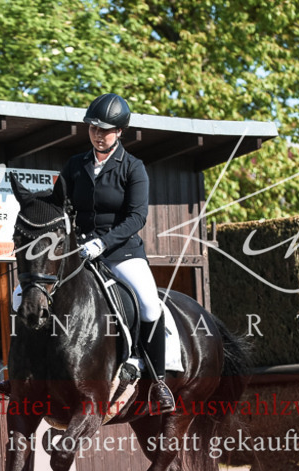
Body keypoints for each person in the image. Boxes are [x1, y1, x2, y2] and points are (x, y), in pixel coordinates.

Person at [60, 93, 175, 412]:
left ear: (120, 131)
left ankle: (158, 382)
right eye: (93, 128)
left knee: (151, 306)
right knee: (24, 293)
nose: (98, 134)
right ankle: (22, 374)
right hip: (79, 250)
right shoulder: (74, 165)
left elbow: (137, 217)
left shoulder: (133, 168)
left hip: (122, 252)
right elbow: (60, 204)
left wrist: (103, 243)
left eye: (105, 129)